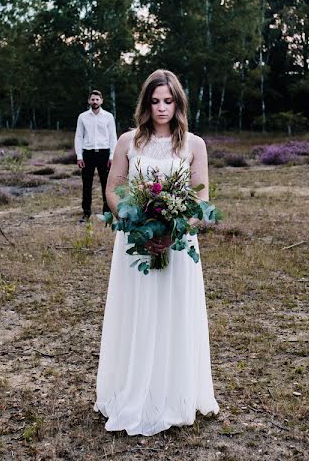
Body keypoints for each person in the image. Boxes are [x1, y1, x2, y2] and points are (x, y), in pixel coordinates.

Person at [94, 69, 219, 436]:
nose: (162, 108)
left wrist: (176, 229)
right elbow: (113, 189)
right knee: (139, 311)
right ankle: (133, 390)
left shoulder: (193, 144)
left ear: (178, 103)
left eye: (168, 101)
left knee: (173, 311)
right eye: (155, 101)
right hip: (135, 243)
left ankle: (174, 391)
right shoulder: (127, 142)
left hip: (177, 245)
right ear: (145, 104)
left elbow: (202, 197)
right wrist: (134, 223)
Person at [74, 90, 117, 221]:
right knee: (87, 184)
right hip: (88, 153)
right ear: (89, 101)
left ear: (101, 101)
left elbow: (113, 137)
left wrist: (112, 156)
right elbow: (78, 137)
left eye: (97, 99)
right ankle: (86, 213)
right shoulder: (82, 117)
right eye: (92, 99)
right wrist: (79, 156)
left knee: (106, 184)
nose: (95, 102)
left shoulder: (108, 116)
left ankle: (106, 213)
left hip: (104, 153)